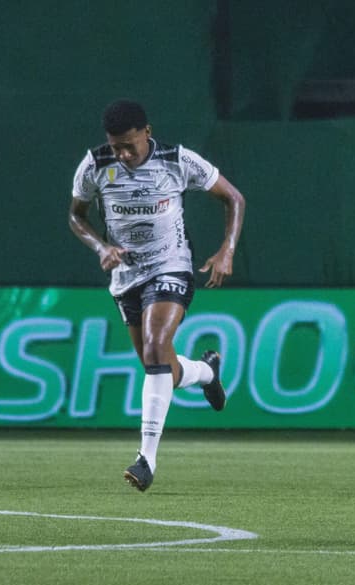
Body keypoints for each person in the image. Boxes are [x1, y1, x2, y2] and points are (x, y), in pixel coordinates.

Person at [69, 99, 245, 492]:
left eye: (130, 145)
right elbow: (76, 216)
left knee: (155, 346)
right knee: (160, 364)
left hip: (172, 265)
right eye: (117, 147)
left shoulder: (177, 160)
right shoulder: (96, 166)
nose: (124, 154)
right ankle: (206, 372)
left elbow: (234, 198)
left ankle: (146, 458)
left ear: (147, 132)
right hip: (125, 276)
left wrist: (227, 250)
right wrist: (101, 248)